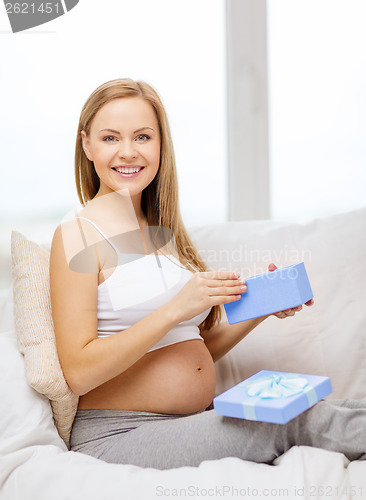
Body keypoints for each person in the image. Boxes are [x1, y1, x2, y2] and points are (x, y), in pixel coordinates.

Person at [50, 78, 366, 470]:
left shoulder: (162, 232)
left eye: (143, 137)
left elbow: (192, 348)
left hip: (185, 423)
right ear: (87, 145)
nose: (128, 152)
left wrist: (264, 305)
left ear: (161, 144)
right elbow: (78, 373)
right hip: (119, 434)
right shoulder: (76, 235)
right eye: (111, 138)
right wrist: (175, 308)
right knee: (293, 420)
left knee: (319, 405)